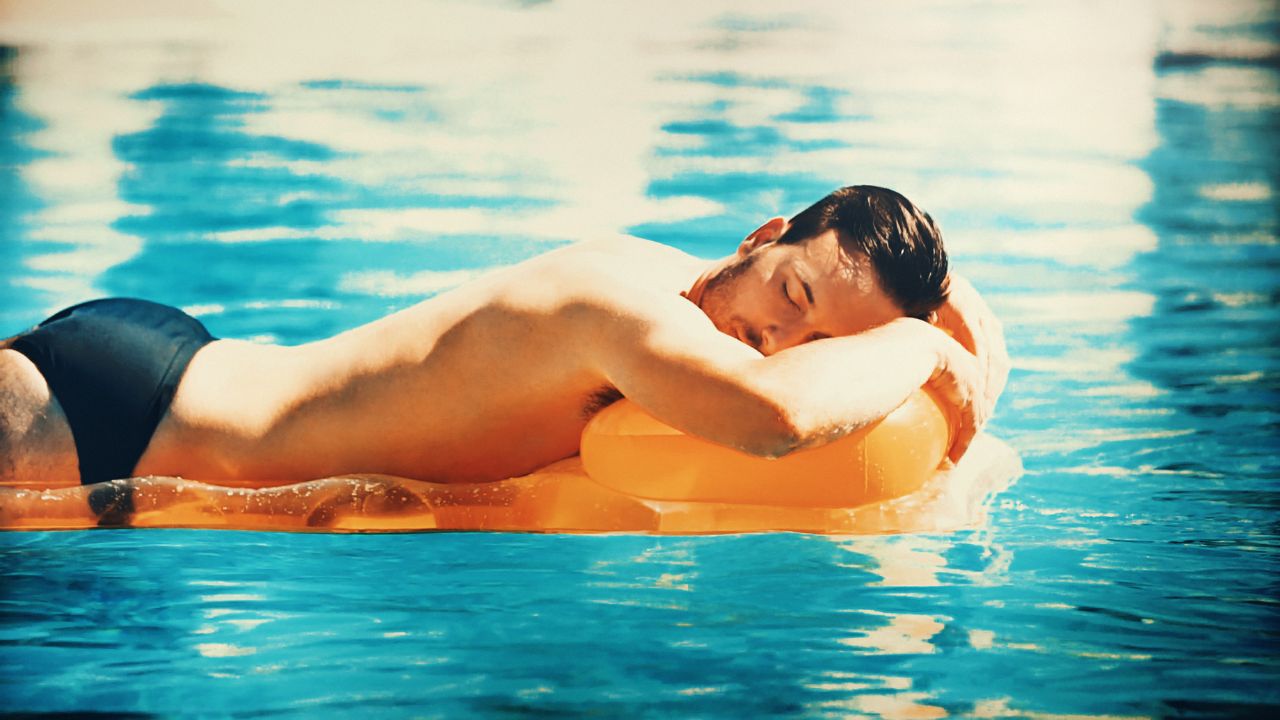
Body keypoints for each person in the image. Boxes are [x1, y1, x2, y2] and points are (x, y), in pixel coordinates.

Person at [0, 185, 1008, 492]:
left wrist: (927, 312)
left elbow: (934, 317)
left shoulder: (664, 271)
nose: (773, 331)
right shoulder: (627, 312)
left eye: (813, 335)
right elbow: (778, 419)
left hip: (179, 361)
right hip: (122, 417)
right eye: (789, 287)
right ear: (761, 237)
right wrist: (926, 352)